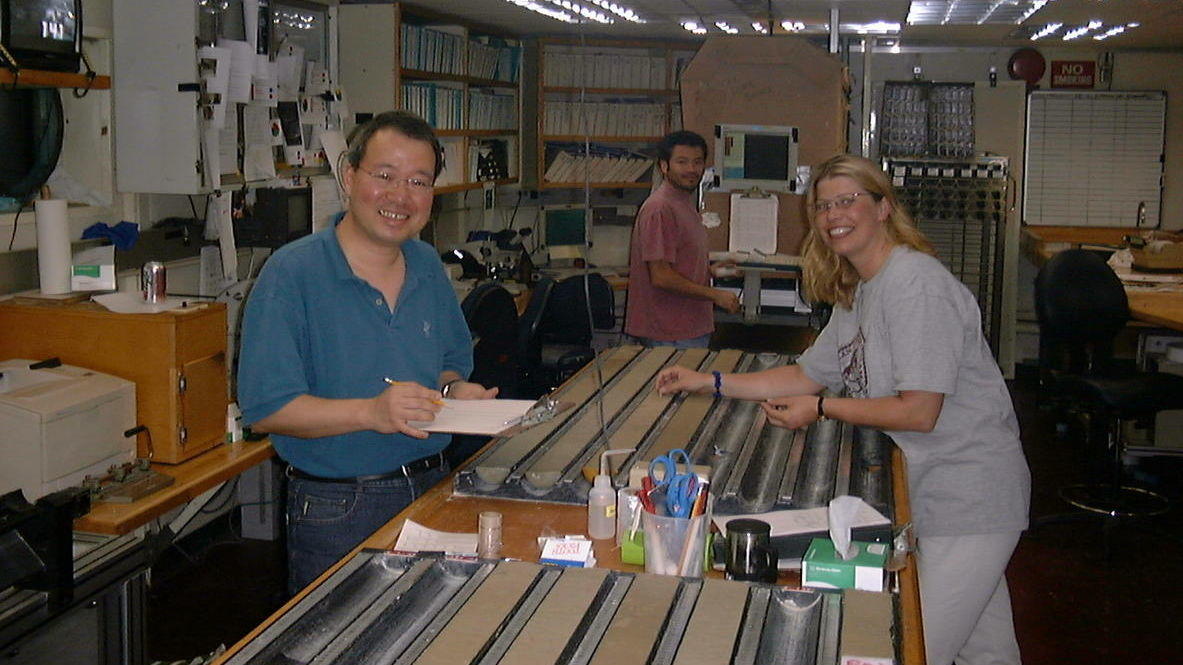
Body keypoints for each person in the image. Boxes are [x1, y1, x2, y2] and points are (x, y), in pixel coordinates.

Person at [656, 154, 1030, 665]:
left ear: (883, 207)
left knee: (910, 648)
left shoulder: (915, 285)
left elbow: (920, 412)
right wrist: (711, 381)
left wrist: (824, 409)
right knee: (984, 652)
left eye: (848, 200)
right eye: (823, 205)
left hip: (968, 495)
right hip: (934, 487)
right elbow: (806, 374)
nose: (834, 214)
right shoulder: (860, 291)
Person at [237, 111, 496, 594]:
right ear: (350, 176)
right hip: (340, 506)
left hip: (432, 487)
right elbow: (267, 410)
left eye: (418, 182)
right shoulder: (291, 274)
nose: (401, 196)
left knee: (424, 636)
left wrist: (455, 392)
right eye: (385, 176)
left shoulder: (425, 263)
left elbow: (445, 364)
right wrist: (372, 412)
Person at [624, 130, 740, 348]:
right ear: (664, 166)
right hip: (669, 333)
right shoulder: (659, 208)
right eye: (682, 162)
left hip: (687, 326)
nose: (691, 169)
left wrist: (709, 270)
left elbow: (677, 262)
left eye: (697, 162)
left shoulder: (684, 203)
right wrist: (715, 295)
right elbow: (661, 276)